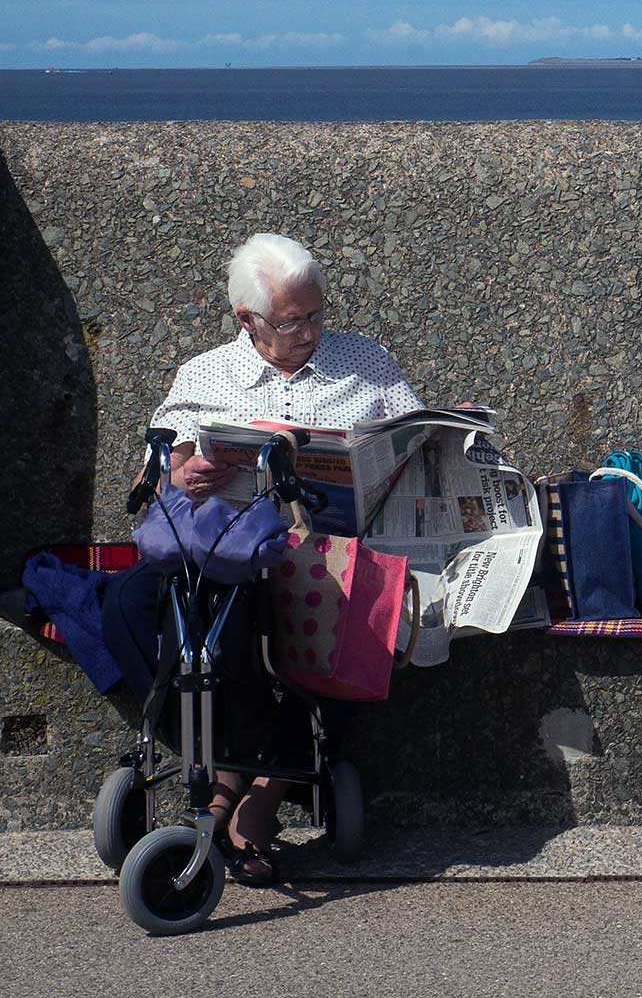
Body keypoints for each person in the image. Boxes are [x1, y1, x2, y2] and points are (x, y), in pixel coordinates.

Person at [101, 232, 422, 886]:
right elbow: (157, 471)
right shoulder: (204, 375)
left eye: (315, 314)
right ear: (247, 320)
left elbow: (417, 442)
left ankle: (259, 794)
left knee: (364, 610)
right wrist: (181, 474)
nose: (307, 331)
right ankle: (227, 764)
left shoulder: (367, 362)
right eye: (289, 320)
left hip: (330, 551)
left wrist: (438, 443)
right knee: (132, 606)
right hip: (235, 551)